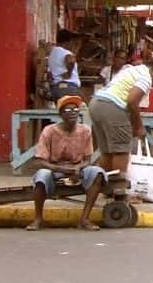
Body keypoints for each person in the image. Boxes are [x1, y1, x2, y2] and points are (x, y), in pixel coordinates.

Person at [28, 95, 106, 231]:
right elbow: (41, 161)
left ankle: (84, 219)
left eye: (75, 110)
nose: (73, 113)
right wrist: (62, 169)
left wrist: (78, 167)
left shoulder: (85, 130)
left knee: (97, 173)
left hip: (77, 169)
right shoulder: (49, 131)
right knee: (41, 175)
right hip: (54, 169)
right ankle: (38, 219)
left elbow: (88, 159)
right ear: (60, 114)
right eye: (68, 111)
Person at [90, 61, 153, 175]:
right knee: (121, 150)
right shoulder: (146, 77)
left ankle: (105, 185)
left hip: (97, 103)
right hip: (112, 106)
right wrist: (139, 126)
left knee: (107, 151)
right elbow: (132, 101)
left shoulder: (132, 70)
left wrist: (133, 124)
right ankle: (118, 187)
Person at [48, 29, 81, 99]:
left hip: (57, 89)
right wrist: (69, 73)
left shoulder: (52, 54)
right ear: (68, 42)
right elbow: (70, 60)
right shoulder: (65, 52)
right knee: (81, 108)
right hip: (69, 88)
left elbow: (50, 74)